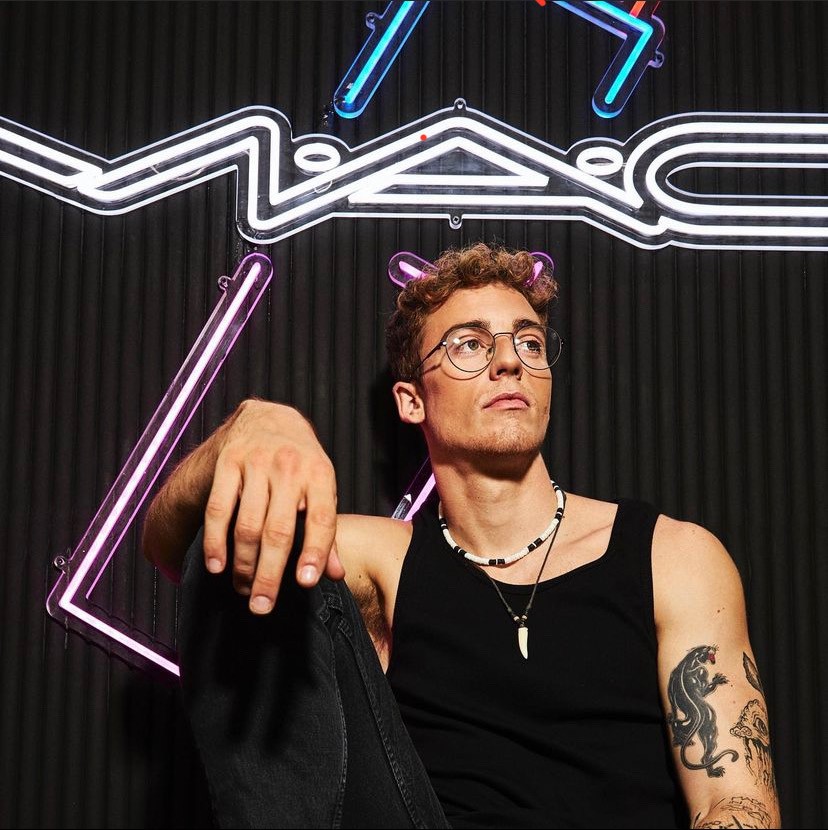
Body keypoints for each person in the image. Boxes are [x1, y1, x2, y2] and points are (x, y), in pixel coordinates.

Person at [143, 243, 781, 829]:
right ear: (412, 400)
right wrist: (255, 424)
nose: (509, 360)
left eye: (529, 342)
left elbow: (737, 803)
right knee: (260, 537)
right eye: (469, 345)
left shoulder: (673, 556)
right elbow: (180, 548)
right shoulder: (385, 560)